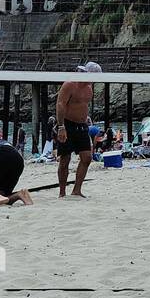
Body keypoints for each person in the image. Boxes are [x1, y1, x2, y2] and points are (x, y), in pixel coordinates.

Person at [55, 62, 99, 198]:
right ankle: (62, 192)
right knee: (65, 159)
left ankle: (77, 190)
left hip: (82, 126)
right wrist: (61, 126)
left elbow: (83, 106)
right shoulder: (70, 84)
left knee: (87, 158)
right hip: (67, 124)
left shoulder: (89, 88)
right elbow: (60, 103)